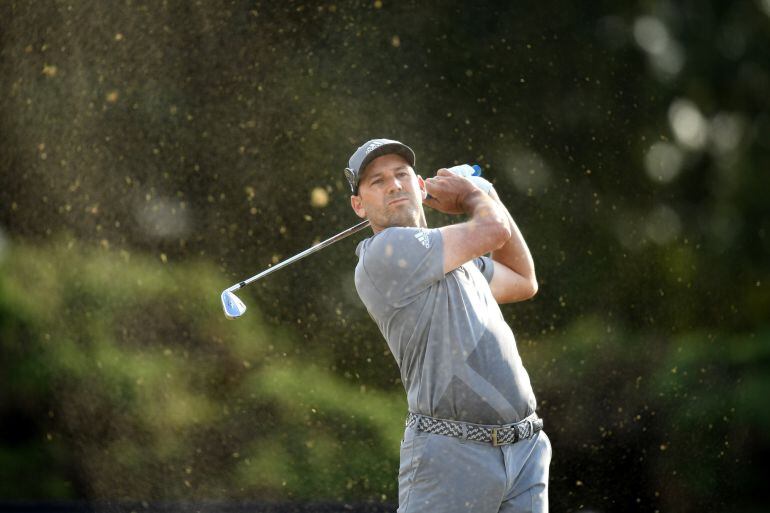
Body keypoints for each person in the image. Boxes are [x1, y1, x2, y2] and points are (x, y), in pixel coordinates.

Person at [345, 138, 551, 513]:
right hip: (451, 454)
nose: (393, 185)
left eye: (402, 175)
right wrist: (473, 197)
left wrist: (489, 196)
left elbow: (523, 279)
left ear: (419, 186)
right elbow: (492, 233)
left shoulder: (459, 263)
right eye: (377, 181)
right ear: (359, 206)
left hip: (525, 450)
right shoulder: (385, 253)